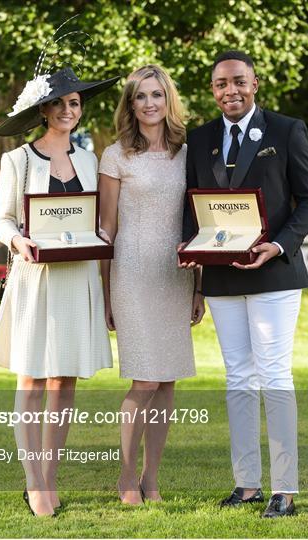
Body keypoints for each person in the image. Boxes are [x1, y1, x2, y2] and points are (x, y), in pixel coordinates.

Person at [182, 50, 308, 517]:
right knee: (238, 377)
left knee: (274, 374)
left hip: (275, 274)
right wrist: (191, 251)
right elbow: (193, 209)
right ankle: (247, 485)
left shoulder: (286, 130)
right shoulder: (200, 139)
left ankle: (284, 489)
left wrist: (280, 245)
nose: (231, 91)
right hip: (222, 277)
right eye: (221, 85)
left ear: (255, 83)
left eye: (239, 82)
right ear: (213, 91)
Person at [0, 63, 119, 516]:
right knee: (33, 377)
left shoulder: (89, 160)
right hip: (35, 279)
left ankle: (50, 474)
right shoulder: (17, 160)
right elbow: (1, 219)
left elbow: (95, 221)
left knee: (64, 379)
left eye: (75, 103)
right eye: (60, 103)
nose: (68, 110)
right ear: (44, 110)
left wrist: (104, 240)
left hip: (78, 276)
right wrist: (16, 240)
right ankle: (33, 480)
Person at [99, 64, 204, 505]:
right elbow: (106, 229)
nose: (149, 104)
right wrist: (104, 293)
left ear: (168, 100)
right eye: (140, 96)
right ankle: (126, 477)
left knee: (167, 382)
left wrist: (199, 286)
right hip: (132, 272)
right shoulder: (115, 155)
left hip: (175, 274)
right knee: (144, 380)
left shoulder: (188, 153)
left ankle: (151, 478)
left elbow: (198, 223)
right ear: (130, 103)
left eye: (157, 95)